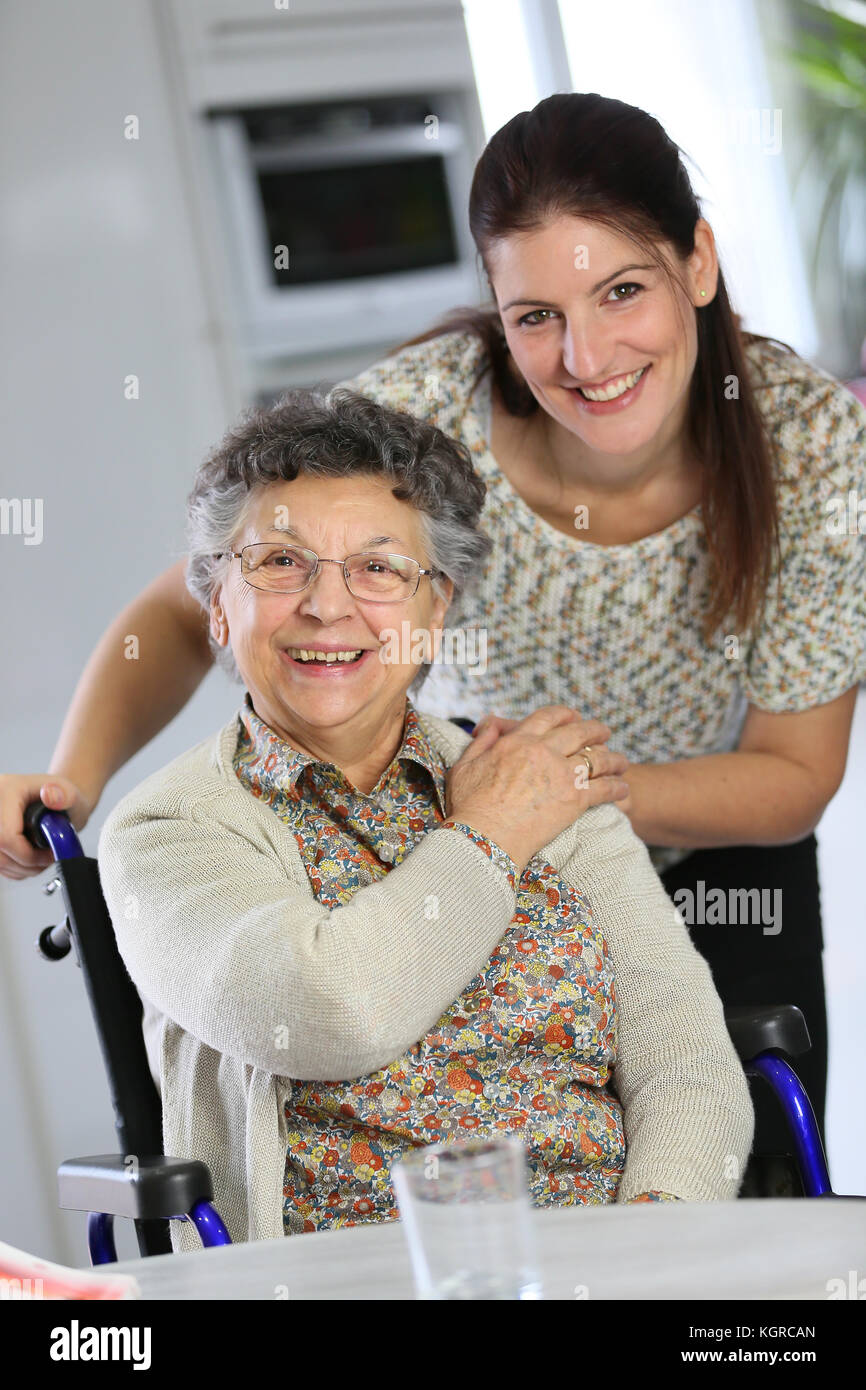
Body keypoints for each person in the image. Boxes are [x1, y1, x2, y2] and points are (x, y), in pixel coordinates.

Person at [3, 93, 863, 1176]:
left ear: (697, 261)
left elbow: (790, 772)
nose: (585, 355)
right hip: (461, 828)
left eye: (622, 291)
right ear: (494, 310)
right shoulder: (420, 415)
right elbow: (191, 603)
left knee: (735, 1168)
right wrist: (74, 781)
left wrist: (552, 795)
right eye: (534, 314)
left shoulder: (813, 443)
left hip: (684, 842)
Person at [96, 387, 753, 1252]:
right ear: (217, 602)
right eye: (280, 562)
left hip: (614, 1264)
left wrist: (649, 1247)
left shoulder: (543, 783)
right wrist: (488, 840)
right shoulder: (164, 831)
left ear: (434, 610)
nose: (328, 607)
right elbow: (333, 1013)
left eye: (377, 569)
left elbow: (691, 1066)